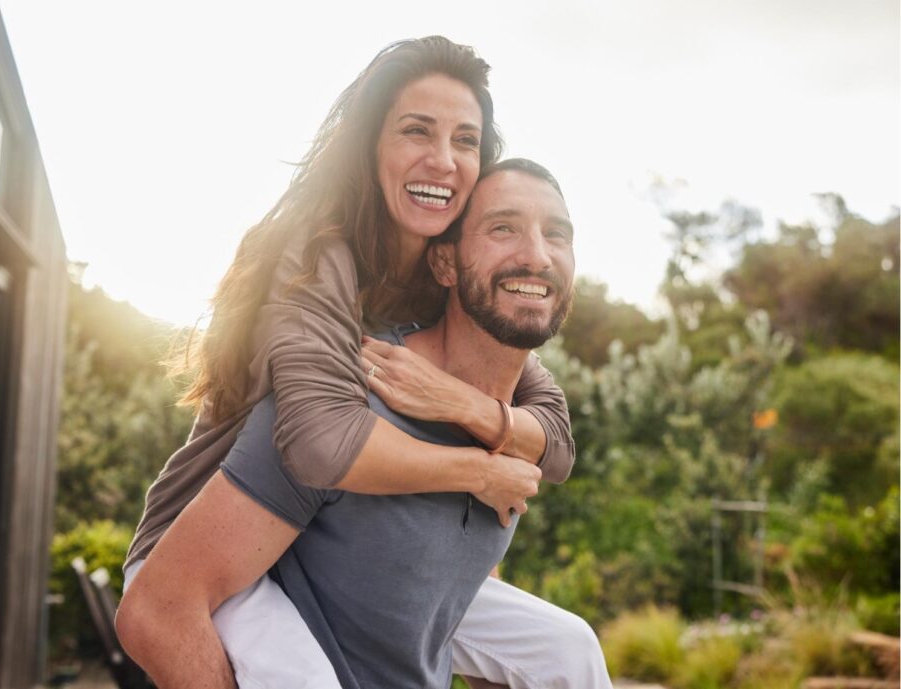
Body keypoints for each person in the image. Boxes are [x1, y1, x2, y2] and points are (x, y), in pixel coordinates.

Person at [121, 37, 590, 687]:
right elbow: (318, 444)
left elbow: (554, 436)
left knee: (568, 648)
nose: (443, 159)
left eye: (465, 140)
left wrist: (463, 405)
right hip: (212, 538)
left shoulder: (444, 283)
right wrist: (478, 470)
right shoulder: (318, 260)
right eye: (416, 131)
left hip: (309, 525)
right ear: (370, 145)